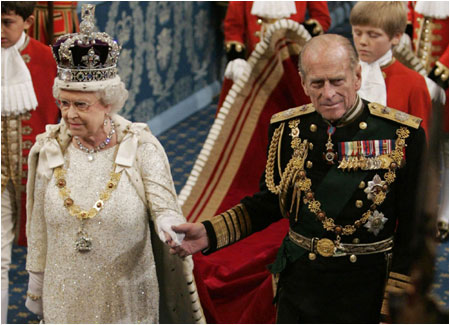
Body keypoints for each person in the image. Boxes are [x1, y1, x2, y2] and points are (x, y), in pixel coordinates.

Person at [169, 34, 426, 323]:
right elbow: (269, 203)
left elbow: (415, 231)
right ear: (303, 83)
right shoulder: (286, 130)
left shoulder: (401, 135)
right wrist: (208, 232)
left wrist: (395, 301)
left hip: (366, 286)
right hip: (302, 284)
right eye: (317, 83)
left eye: (337, 81)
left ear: (356, 77)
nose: (327, 93)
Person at [24, 4, 204, 324]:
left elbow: (165, 207)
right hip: (63, 295)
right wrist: (36, 285)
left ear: (108, 103)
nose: (69, 114)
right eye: (63, 103)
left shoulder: (141, 147)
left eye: (81, 104)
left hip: (127, 296)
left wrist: (168, 226)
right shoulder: (48, 150)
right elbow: (37, 224)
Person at [1, 2, 60, 323]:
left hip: (40, 176)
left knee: (47, 254)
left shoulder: (48, 59)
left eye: (7, 23)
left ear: (28, 22)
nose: (0, 32)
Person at [349, 1, 433, 137]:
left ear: (396, 37)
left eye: (373, 35)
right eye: (357, 33)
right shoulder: (343, 76)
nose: (362, 41)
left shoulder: (414, 83)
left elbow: (422, 143)